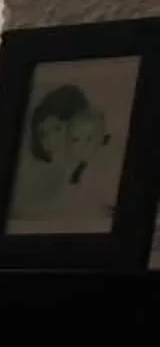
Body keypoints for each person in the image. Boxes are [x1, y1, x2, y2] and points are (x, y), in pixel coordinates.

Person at [12, 78, 124, 234]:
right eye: (43, 134)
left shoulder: (104, 163)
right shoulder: (41, 178)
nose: (50, 141)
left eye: (58, 129)